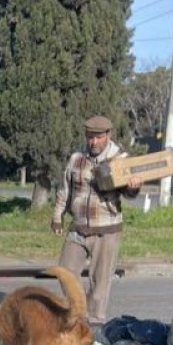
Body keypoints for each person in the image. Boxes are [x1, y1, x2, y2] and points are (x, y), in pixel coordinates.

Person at [51, 115, 142, 328]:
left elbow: (129, 194)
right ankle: (77, 313)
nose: (93, 142)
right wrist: (57, 216)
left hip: (107, 229)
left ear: (108, 136)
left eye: (98, 138)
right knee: (65, 273)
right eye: (90, 137)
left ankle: (93, 326)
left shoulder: (121, 159)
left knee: (100, 284)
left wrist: (133, 187)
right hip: (79, 226)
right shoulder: (76, 159)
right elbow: (65, 190)